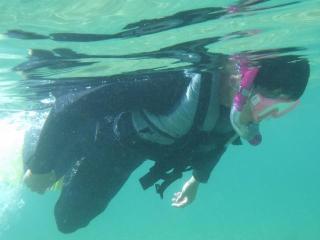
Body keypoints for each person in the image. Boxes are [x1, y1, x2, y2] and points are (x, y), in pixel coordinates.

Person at [23, 53, 310, 233]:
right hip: (101, 133)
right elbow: (76, 106)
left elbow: (217, 141)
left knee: (68, 221)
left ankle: (61, 168)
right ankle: (37, 135)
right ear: (242, 83)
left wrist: (197, 179)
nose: (267, 117)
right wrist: (41, 164)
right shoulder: (174, 85)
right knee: (38, 175)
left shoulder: (239, 113)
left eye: (279, 111)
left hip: (130, 152)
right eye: (266, 106)